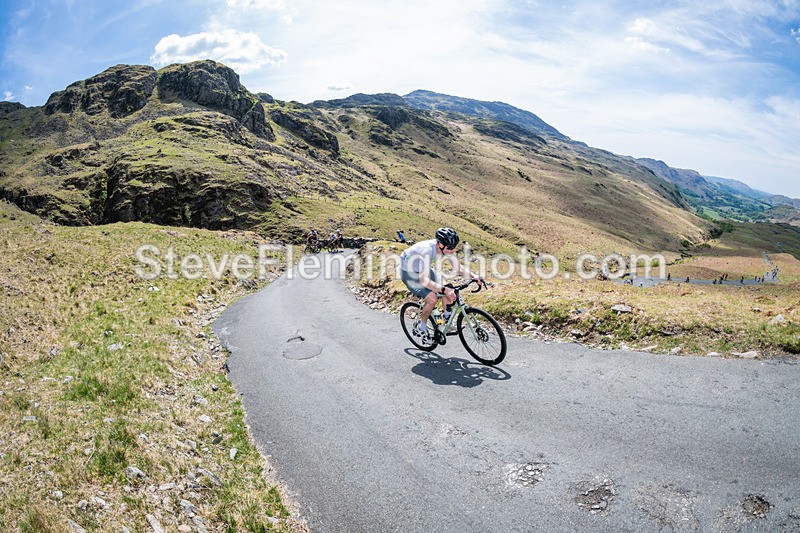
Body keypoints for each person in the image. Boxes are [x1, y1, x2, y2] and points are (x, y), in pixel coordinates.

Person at [400, 227, 480, 340]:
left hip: (423, 270)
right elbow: (423, 280)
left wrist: (474, 276)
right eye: (450, 248)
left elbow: (458, 268)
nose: (452, 251)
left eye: (454, 247)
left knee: (448, 287)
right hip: (409, 273)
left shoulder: (446, 248)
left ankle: (445, 319)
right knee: (432, 298)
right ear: (439, 244)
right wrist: (443, 290)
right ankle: (421, 325)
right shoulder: (426, 251)